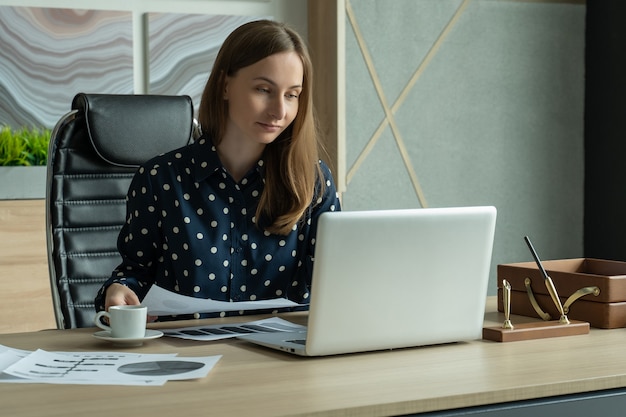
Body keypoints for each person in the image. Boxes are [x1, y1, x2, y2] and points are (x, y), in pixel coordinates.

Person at [94, 19, 341, 321]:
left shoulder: (313, 183)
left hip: (282, 362)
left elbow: (337, 281)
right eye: (264, 89)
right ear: (225, 86)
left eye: (292, 95)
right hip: (186, 357)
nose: (280, 110)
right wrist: (118, 290)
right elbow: (135, 274)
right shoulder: (161, 179)